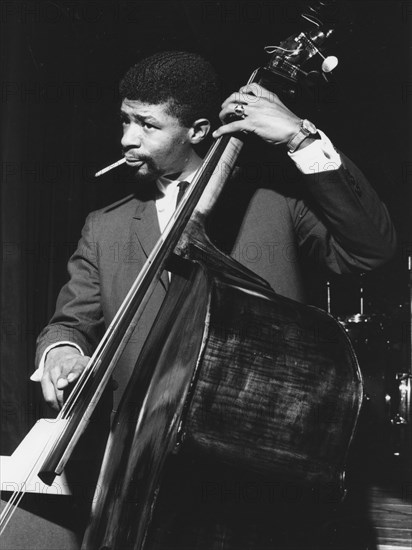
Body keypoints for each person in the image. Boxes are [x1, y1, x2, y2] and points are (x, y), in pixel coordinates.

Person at [32, 50, 396, 548]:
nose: (126, 139)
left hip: (257, 474)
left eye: (146, 125)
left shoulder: (276, 202)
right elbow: (67, 324)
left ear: (199, 131)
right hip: (139, 471)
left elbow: (371, 251)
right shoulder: (106, 225)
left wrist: (300, 138)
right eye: (124, 120)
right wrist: (62, 353)